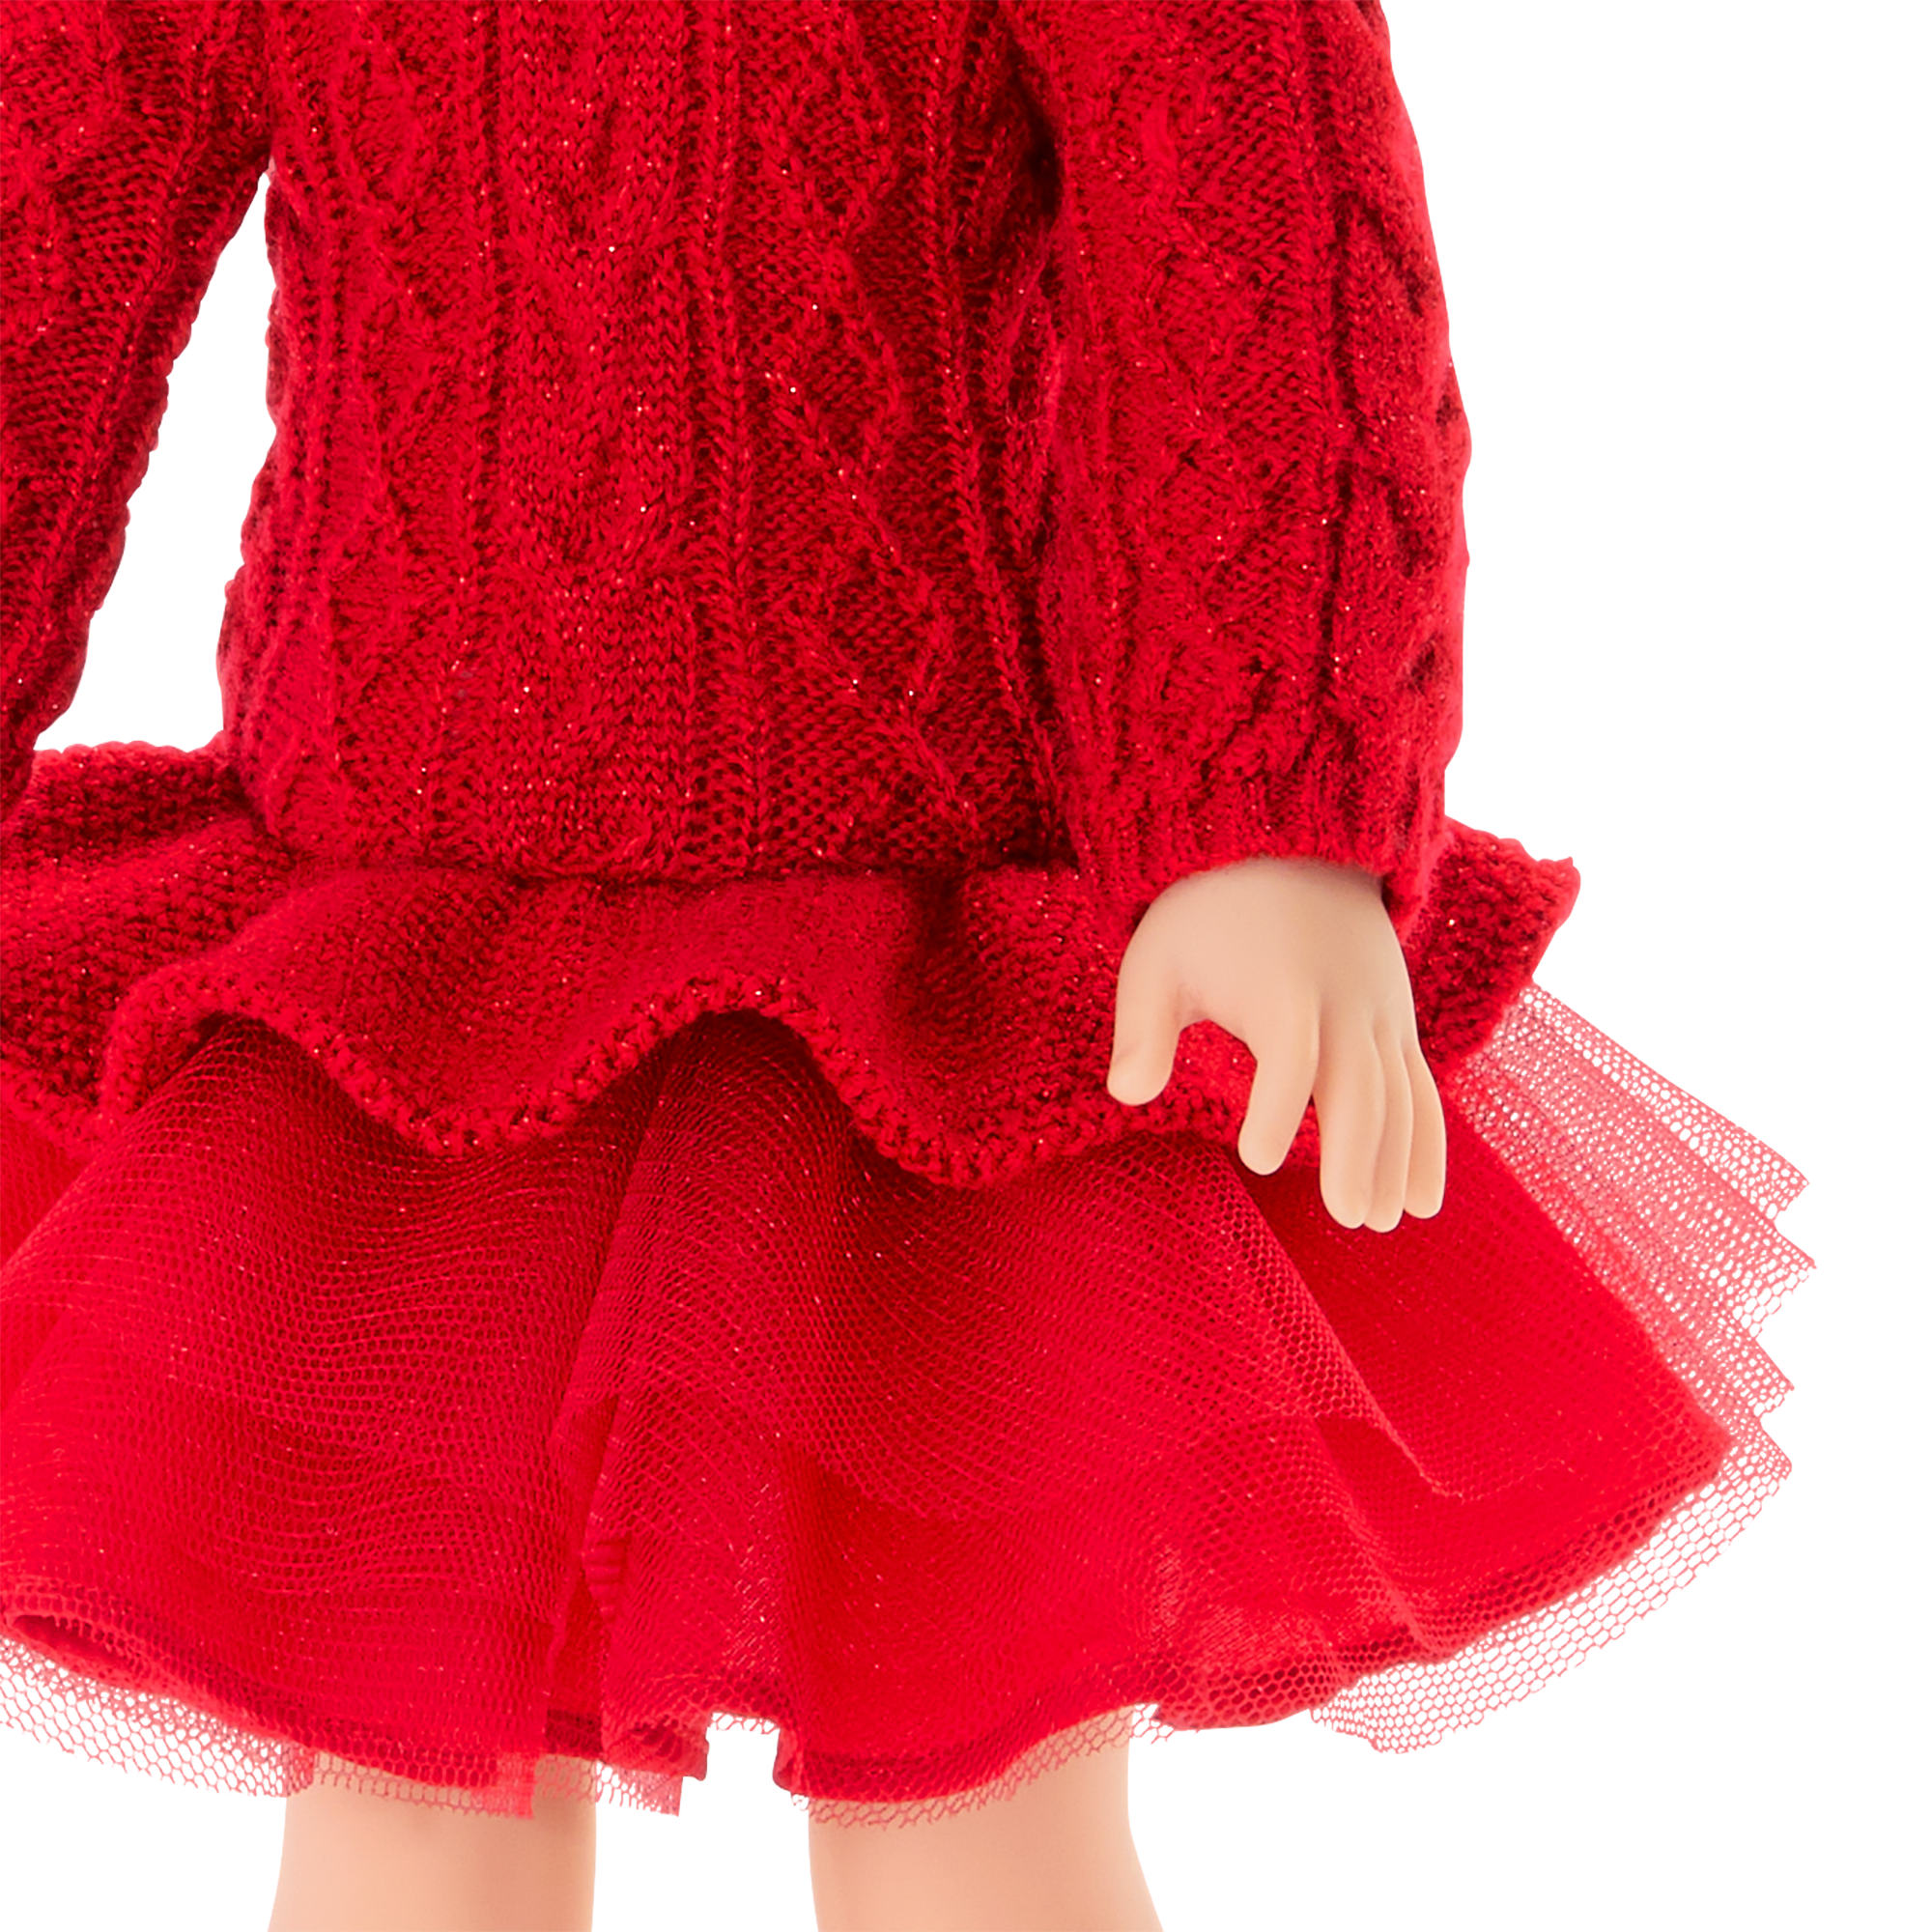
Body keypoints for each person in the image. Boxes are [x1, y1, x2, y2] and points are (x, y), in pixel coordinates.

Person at [0, 2, 1816, 1928]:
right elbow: (44, 252)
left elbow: (1253, 224)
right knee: (409, 1789)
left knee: (972, 1788)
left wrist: (1264, 800)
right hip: (388, 1001)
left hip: (941, 1016)